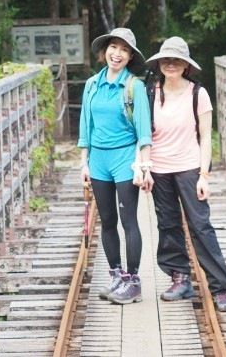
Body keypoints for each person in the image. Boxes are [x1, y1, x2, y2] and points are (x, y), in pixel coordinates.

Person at [139, 36, 226, 312]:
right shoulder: (149, 92)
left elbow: (206, 137)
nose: (170, 64)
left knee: (200, 225)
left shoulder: (198, 93)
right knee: (168, 224)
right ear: (159, 64)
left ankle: (221, 287)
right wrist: (144, 167)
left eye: (177, 60)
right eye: (166, 60)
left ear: (186, 65)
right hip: (159, 169)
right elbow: (142, 134)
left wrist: (204, 175)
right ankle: (180, 278)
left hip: (190, 167)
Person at [77, 27, 152, 305]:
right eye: (113, 47)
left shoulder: (134, 86)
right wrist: (83, 163)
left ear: (130, 56)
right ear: (105, 50)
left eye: (124, 50)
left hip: (124, 159)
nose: (117, 54)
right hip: (98, 160)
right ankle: (116, 275)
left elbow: (144, 130)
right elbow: (85, 126)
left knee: (128, 219)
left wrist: (143, 165)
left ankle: (133, 281)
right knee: (107, 221)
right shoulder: (92, 85)